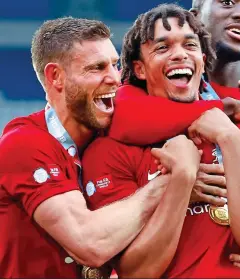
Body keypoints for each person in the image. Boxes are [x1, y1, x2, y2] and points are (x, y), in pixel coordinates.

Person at [82, 4, 240, 278]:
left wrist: (230, 138)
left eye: (189, 45)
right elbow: (136, 272)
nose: (179, 55)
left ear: (202, 58)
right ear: (139, 69)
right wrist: (181, 181)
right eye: (162, 48)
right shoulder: (109, 151)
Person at [0, 17, 199, 278]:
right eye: (97, 68)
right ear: (56, 76)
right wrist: (167, 184)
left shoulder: (115, 135)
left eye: (115, 65)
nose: (115, 79)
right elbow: (90, 246)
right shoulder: (24, 143)